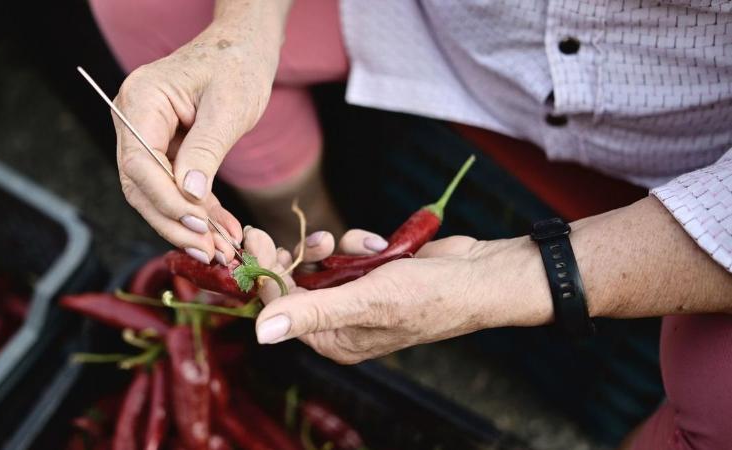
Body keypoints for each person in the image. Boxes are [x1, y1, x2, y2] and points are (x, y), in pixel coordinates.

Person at [90, 0, 732, 448]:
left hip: (687, 125)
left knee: (720, 401)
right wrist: (241, 30)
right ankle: (303, 231)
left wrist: (516, 278)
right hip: (443, 25)